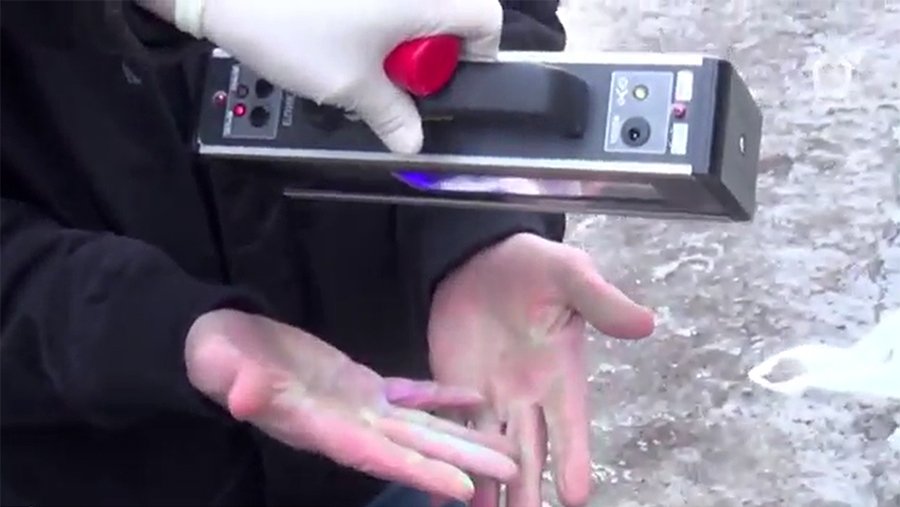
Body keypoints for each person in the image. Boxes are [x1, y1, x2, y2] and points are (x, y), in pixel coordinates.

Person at [0, 1, 656, 506]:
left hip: (399, 411)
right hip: (94, 458)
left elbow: (496, 17)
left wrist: (478, 222)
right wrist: (159, 331)